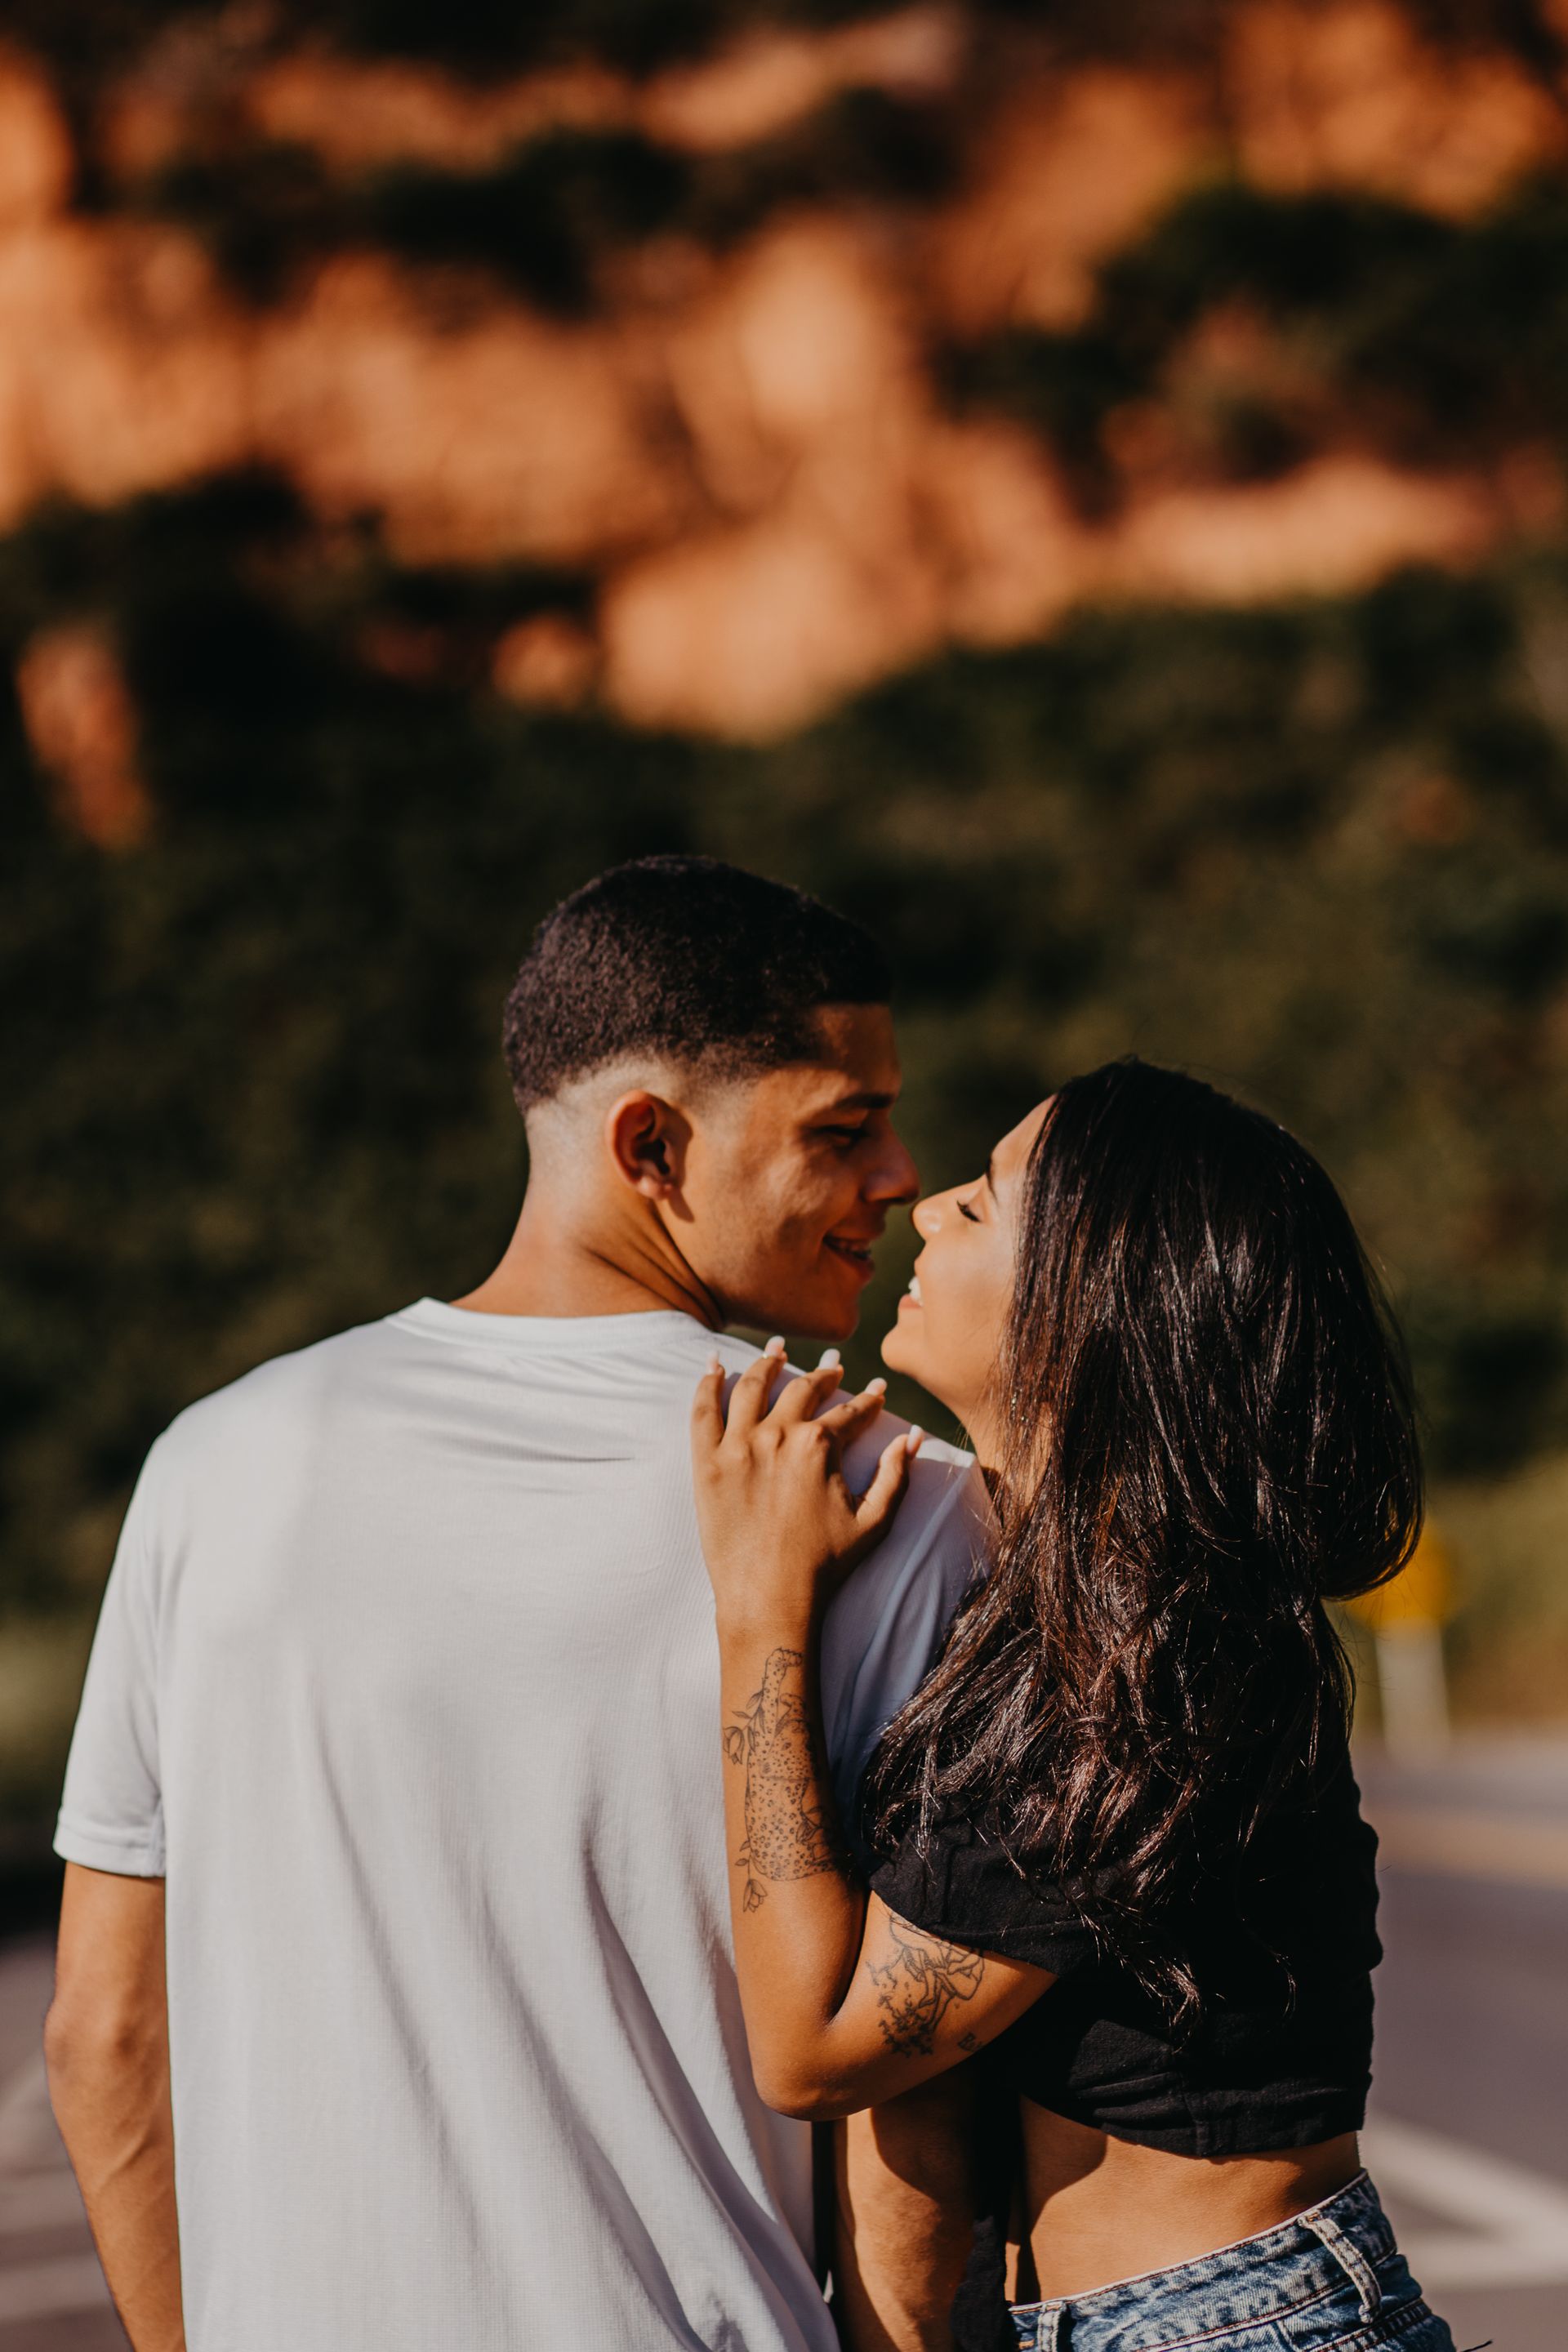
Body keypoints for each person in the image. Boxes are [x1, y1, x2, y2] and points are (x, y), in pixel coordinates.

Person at [45, 856, 991, 2352]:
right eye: (845, 1128)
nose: (897, 1178)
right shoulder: (887, 1495)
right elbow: (913, 2115)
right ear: (650, 1144)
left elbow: (106, 2039)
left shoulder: (213, 1464)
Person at [691, 1058, 1458, 2352]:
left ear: (1089, 1307)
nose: (928, 1209)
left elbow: (818, 2049)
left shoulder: (1150, 1659)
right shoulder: (1110, 1606)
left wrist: (760, 1607)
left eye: (983, 1208)